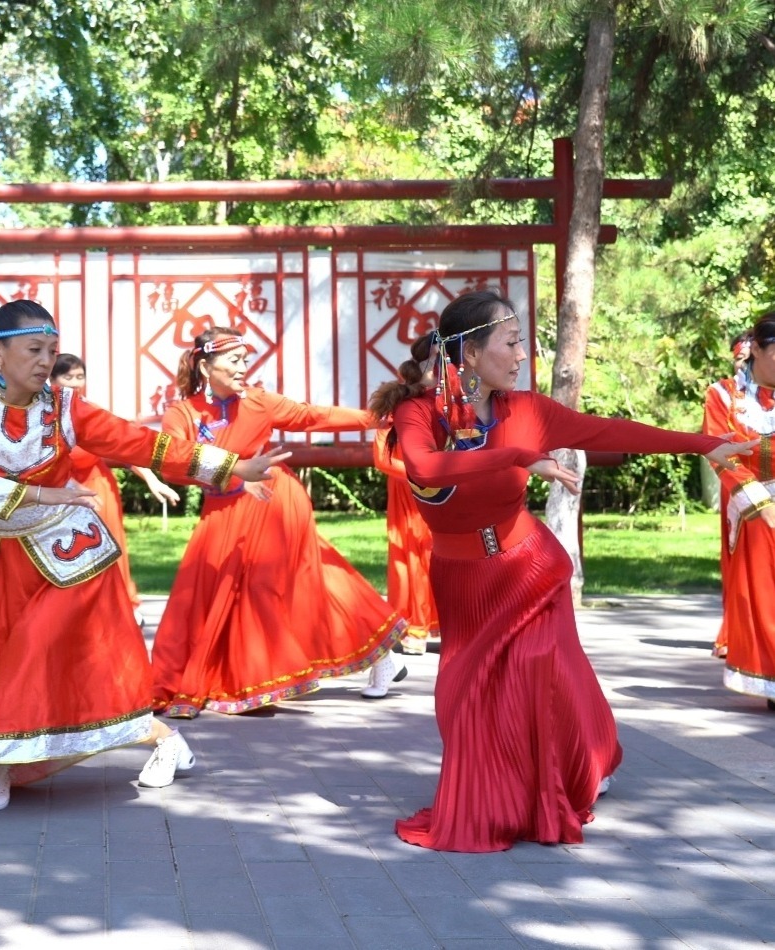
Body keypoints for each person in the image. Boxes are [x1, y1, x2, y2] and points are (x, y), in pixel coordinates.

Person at [369, 288, 751, 852]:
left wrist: (702, 443)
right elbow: (423, 465)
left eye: (523, 342)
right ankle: (568, 764)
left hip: (530, 571)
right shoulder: (418, 412)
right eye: (512, 342)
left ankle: (574, 769)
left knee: (539, 680)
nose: (523, 355)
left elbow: (608, 431)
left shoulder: (528, 411)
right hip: (463, 580)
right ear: (469, 355)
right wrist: (517, 456)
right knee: (465, 705)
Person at [0, 301, 290, 812]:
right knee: (27, 663)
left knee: (32, 647)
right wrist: (41, 494)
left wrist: (229, 466)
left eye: (51, 351)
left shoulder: (66, 409)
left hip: (73, 555)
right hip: (9, 556)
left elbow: (145, 445)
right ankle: (164, 739)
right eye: (34, 350)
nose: (45, 362)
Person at [149, 326, 409, 719]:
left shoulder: (258, 401)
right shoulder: (181, 413)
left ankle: (254, 679)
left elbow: (313, 416)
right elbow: (173, 465)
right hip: (223, 509)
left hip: (273, 500)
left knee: (259, 588)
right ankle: (379, 652)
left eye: (245, 361)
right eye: (234, 361)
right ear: (205, 366)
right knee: (304, 579)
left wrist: (378, 417)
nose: (242, 369)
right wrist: (232, 474)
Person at [49, 354, 180, 620]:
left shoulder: (90, 411)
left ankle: (123, 607)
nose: (75, 383)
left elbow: (123, 448)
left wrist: (152, 479)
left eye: (79, 377)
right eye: (67, 377)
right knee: (64, 551)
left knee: (109, 548)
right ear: (51, 379)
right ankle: (70, 613)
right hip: (58, 494)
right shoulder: (41, 415)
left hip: (97, 489)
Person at [704, 314, 775, 708]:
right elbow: (719, 453)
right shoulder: (723, 395)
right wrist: (762, 504)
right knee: (764, 542)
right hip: (752, 500)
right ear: (758, 351)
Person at [374, 431, 440, 653]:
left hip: (437, 485)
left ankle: (437, 626)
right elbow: (382, 458)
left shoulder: (441, 406)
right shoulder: (390, 418)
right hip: (408, 489)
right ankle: (412, 626)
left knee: (434, 553)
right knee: (407, 555)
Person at [711, 330, 754, 660]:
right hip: (739, 489)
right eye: (740, 358)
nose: (745, 364)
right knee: (736, 562)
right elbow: (718, 443)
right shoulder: (725, 393)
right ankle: (734, 633)